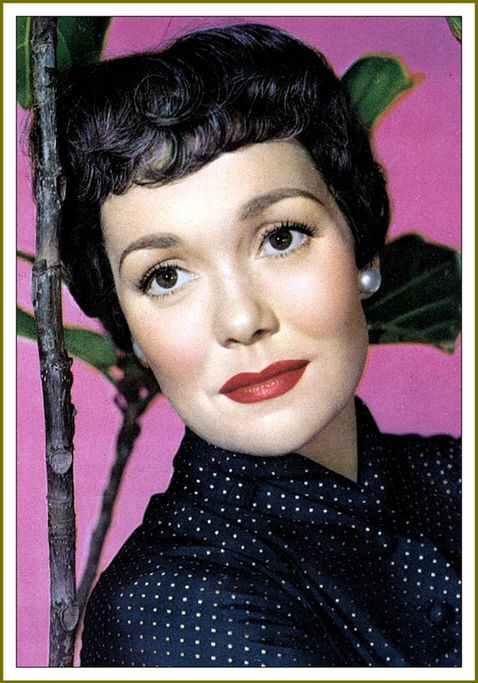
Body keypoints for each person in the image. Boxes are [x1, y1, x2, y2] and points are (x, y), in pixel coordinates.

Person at [51, 23, 460, 667]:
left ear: (363, 247)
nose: (242, 320)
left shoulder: (453, 475)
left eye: (280, 237)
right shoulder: (169, 612)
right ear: (130, 331)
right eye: (166, 276)